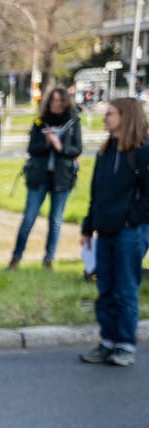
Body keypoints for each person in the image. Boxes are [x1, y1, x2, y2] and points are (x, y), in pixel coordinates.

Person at [79, 97, 149, 368]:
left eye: (110, 114)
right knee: (105, 287)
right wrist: (88, 225)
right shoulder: (106, 151)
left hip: (128, 233)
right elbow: (97, 192)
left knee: (125, 289)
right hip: (104, 230)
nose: (105, 118)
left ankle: (124, 344)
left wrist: (132, 220)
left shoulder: (141, 152)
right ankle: (107, 340)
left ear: (126, 116)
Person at [11, 89, 82, 271]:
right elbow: (31, 148)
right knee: (29, 218)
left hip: (62, 177)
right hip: (39, 176)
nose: (56, 104)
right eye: (53, 100)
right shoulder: (40, 121)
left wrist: (60, 146)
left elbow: (77, 149)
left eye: (60, 100)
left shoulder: (73, 122)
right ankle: (16, 257)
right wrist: (46, 143)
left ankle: (49, 259)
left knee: (56, 220)